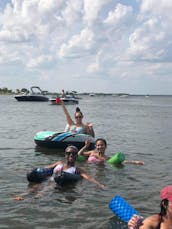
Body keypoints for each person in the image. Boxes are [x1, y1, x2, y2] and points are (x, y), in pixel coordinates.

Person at [14, 145, 105, 200]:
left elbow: (88, 178)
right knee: (37, 185)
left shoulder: (77, 169)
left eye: (73, 154)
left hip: (58, 184)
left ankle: (34, 199)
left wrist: (100, 185)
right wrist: (22, 170)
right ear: (65, 155)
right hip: (49, 180)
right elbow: (45, 168)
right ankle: (23, 196)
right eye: (68, 153)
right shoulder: (59, 163)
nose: (71, 155)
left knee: (49, 187)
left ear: (76, 156)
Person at [78, 139, 144, 165]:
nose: (100, 147)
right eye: (98, 145)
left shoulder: (107, 158)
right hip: (89, 168)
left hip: (100, 170)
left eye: (102, 145)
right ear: (96, 146)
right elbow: (79, 154)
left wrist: (135, 162)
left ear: (105, 146)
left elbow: (123, 161)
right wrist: (86, 146)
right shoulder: (92, 152)